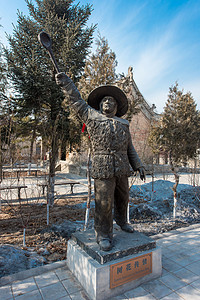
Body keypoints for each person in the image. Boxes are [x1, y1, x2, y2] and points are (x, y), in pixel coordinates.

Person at [55, 72, 145, 251]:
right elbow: (76, 101)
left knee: (123, 197)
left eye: (111, 101)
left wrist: (138, 164)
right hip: (102, 165)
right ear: (100, 104)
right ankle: (103, 233)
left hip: (121, 167)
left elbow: (130, 148)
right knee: (104, 202)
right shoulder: (91, 116)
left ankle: (122, 220)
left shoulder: (123, 123)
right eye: (104, 100)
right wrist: (66, 83)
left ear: (117, 105)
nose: (107, 103)